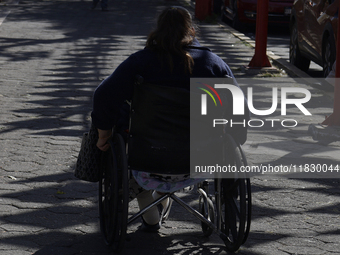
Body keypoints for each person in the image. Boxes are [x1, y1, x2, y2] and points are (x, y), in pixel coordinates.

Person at [91, 6, 249, 231]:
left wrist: (103, 134)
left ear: (158, 30)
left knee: (120, 122)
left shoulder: (140, 62)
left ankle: (147, 202)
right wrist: (233, 139)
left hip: (146, 154)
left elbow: (103, 95)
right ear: (191, 31)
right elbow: (239, 107)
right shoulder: (213, 64)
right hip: (201, 157)